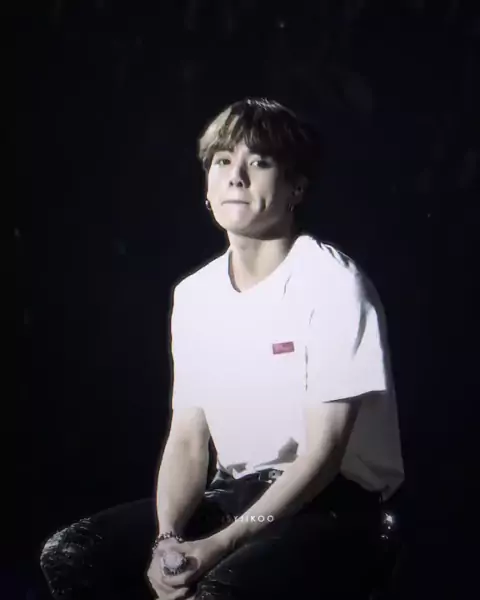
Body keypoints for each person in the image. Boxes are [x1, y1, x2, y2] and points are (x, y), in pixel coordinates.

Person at [39, 98, 404, 600]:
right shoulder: (195, 295)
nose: (237, 175)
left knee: (219, 588)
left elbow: (322, 456)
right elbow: (188, 438)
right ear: (208, 188)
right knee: (71, 554)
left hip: (333, 505)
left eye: (260, 161)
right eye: (223, 161)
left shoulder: (333, 284)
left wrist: (218, 545)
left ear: (296, 187)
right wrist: (168, 540)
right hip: (235, 492)